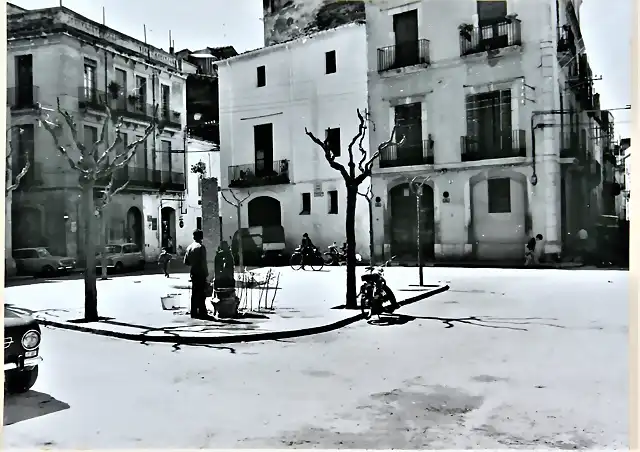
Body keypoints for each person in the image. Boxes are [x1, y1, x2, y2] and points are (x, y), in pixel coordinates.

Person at [184, 229, 209, 319]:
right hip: (201, 272)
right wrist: (206, 273)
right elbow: (203, 262)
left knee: (194, 293)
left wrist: (193, 263)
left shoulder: (189, 247)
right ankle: (202, 311)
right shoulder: (201, 247)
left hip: (193, 272)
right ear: (201, 237)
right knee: (201, 293)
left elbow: (186, 262)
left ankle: (194, 312)